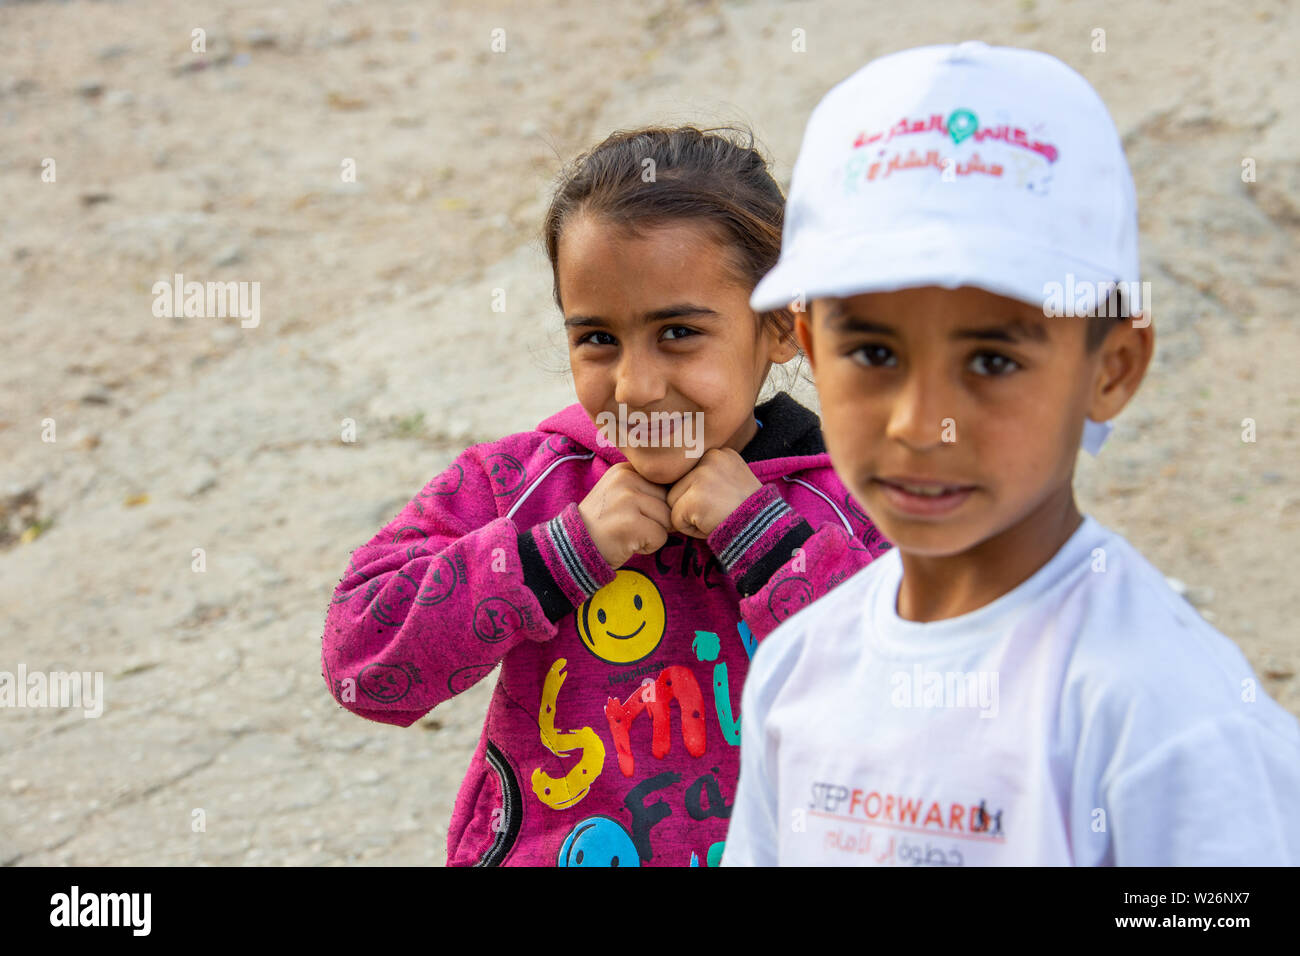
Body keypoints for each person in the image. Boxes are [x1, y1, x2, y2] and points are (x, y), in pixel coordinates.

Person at [722, 42, 1300, 866]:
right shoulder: (798, 672)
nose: (923, 426)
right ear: (810, 347)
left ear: (1113, 370)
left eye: (992, 361)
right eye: (875, 354)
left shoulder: (1166, 718)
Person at [320, 126, 889, 867]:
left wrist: (762, 539)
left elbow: (912, 704)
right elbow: (361, 663)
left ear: (782, 327)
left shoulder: (855, 503)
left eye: (679, 332)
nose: (634, 386)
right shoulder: (518, 488)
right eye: (596, 339)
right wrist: (555, 555)